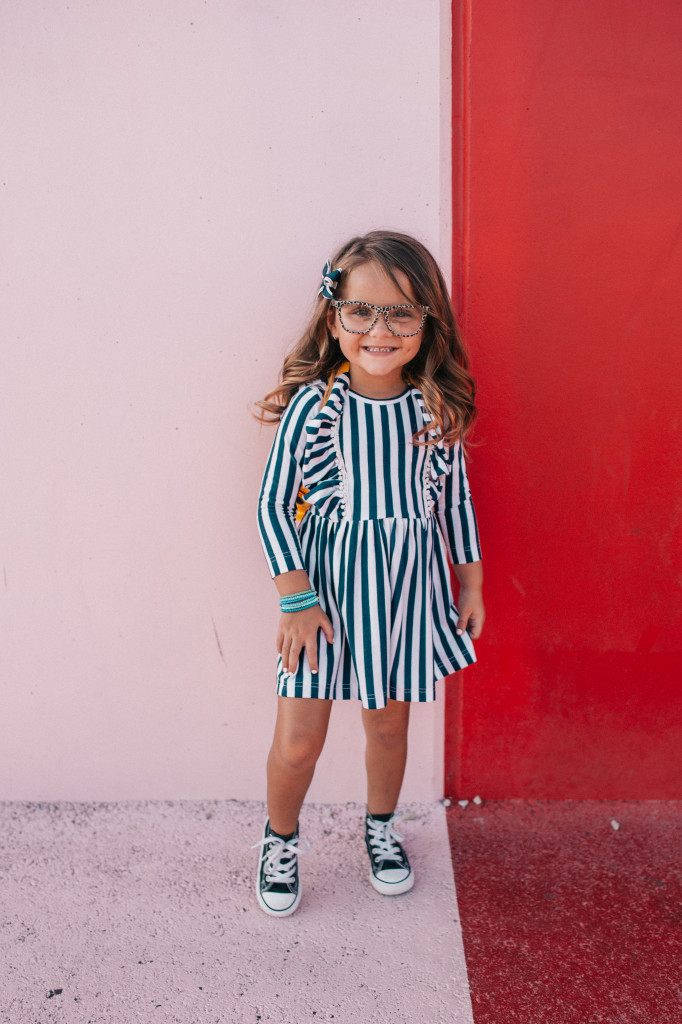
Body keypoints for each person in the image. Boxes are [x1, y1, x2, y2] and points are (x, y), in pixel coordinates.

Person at [252, 230, 485, 917]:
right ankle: (280, 838)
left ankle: (381, 829)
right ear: (334, 317)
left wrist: (469, 583)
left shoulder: (434, 411)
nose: (379, 329)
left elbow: (456, 503)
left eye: (401, 313)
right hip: (322, 602)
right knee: (299, 741)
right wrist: (295, 599)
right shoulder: (314, 408)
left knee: (388, 729)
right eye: (362, 311)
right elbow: (270, 506)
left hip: (406, 599)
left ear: (427, 322)